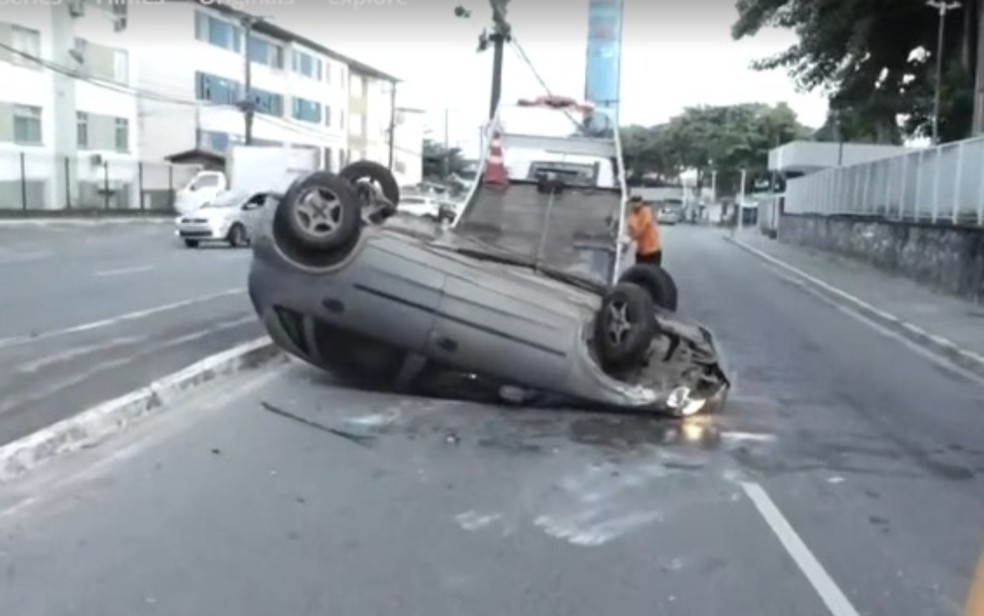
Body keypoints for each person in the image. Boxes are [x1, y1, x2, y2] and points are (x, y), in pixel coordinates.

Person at [626, 195, 662, 266]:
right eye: (633, 202)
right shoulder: (632, 215)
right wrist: (627, 236)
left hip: (653, 250)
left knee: (652, 273)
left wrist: (633, 237)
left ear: (641, 202)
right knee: (640, 273)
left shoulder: (646, 211)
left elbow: (643, 228)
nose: (635, 204)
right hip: (641, 251)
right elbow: (630, 229)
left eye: (637, 202)